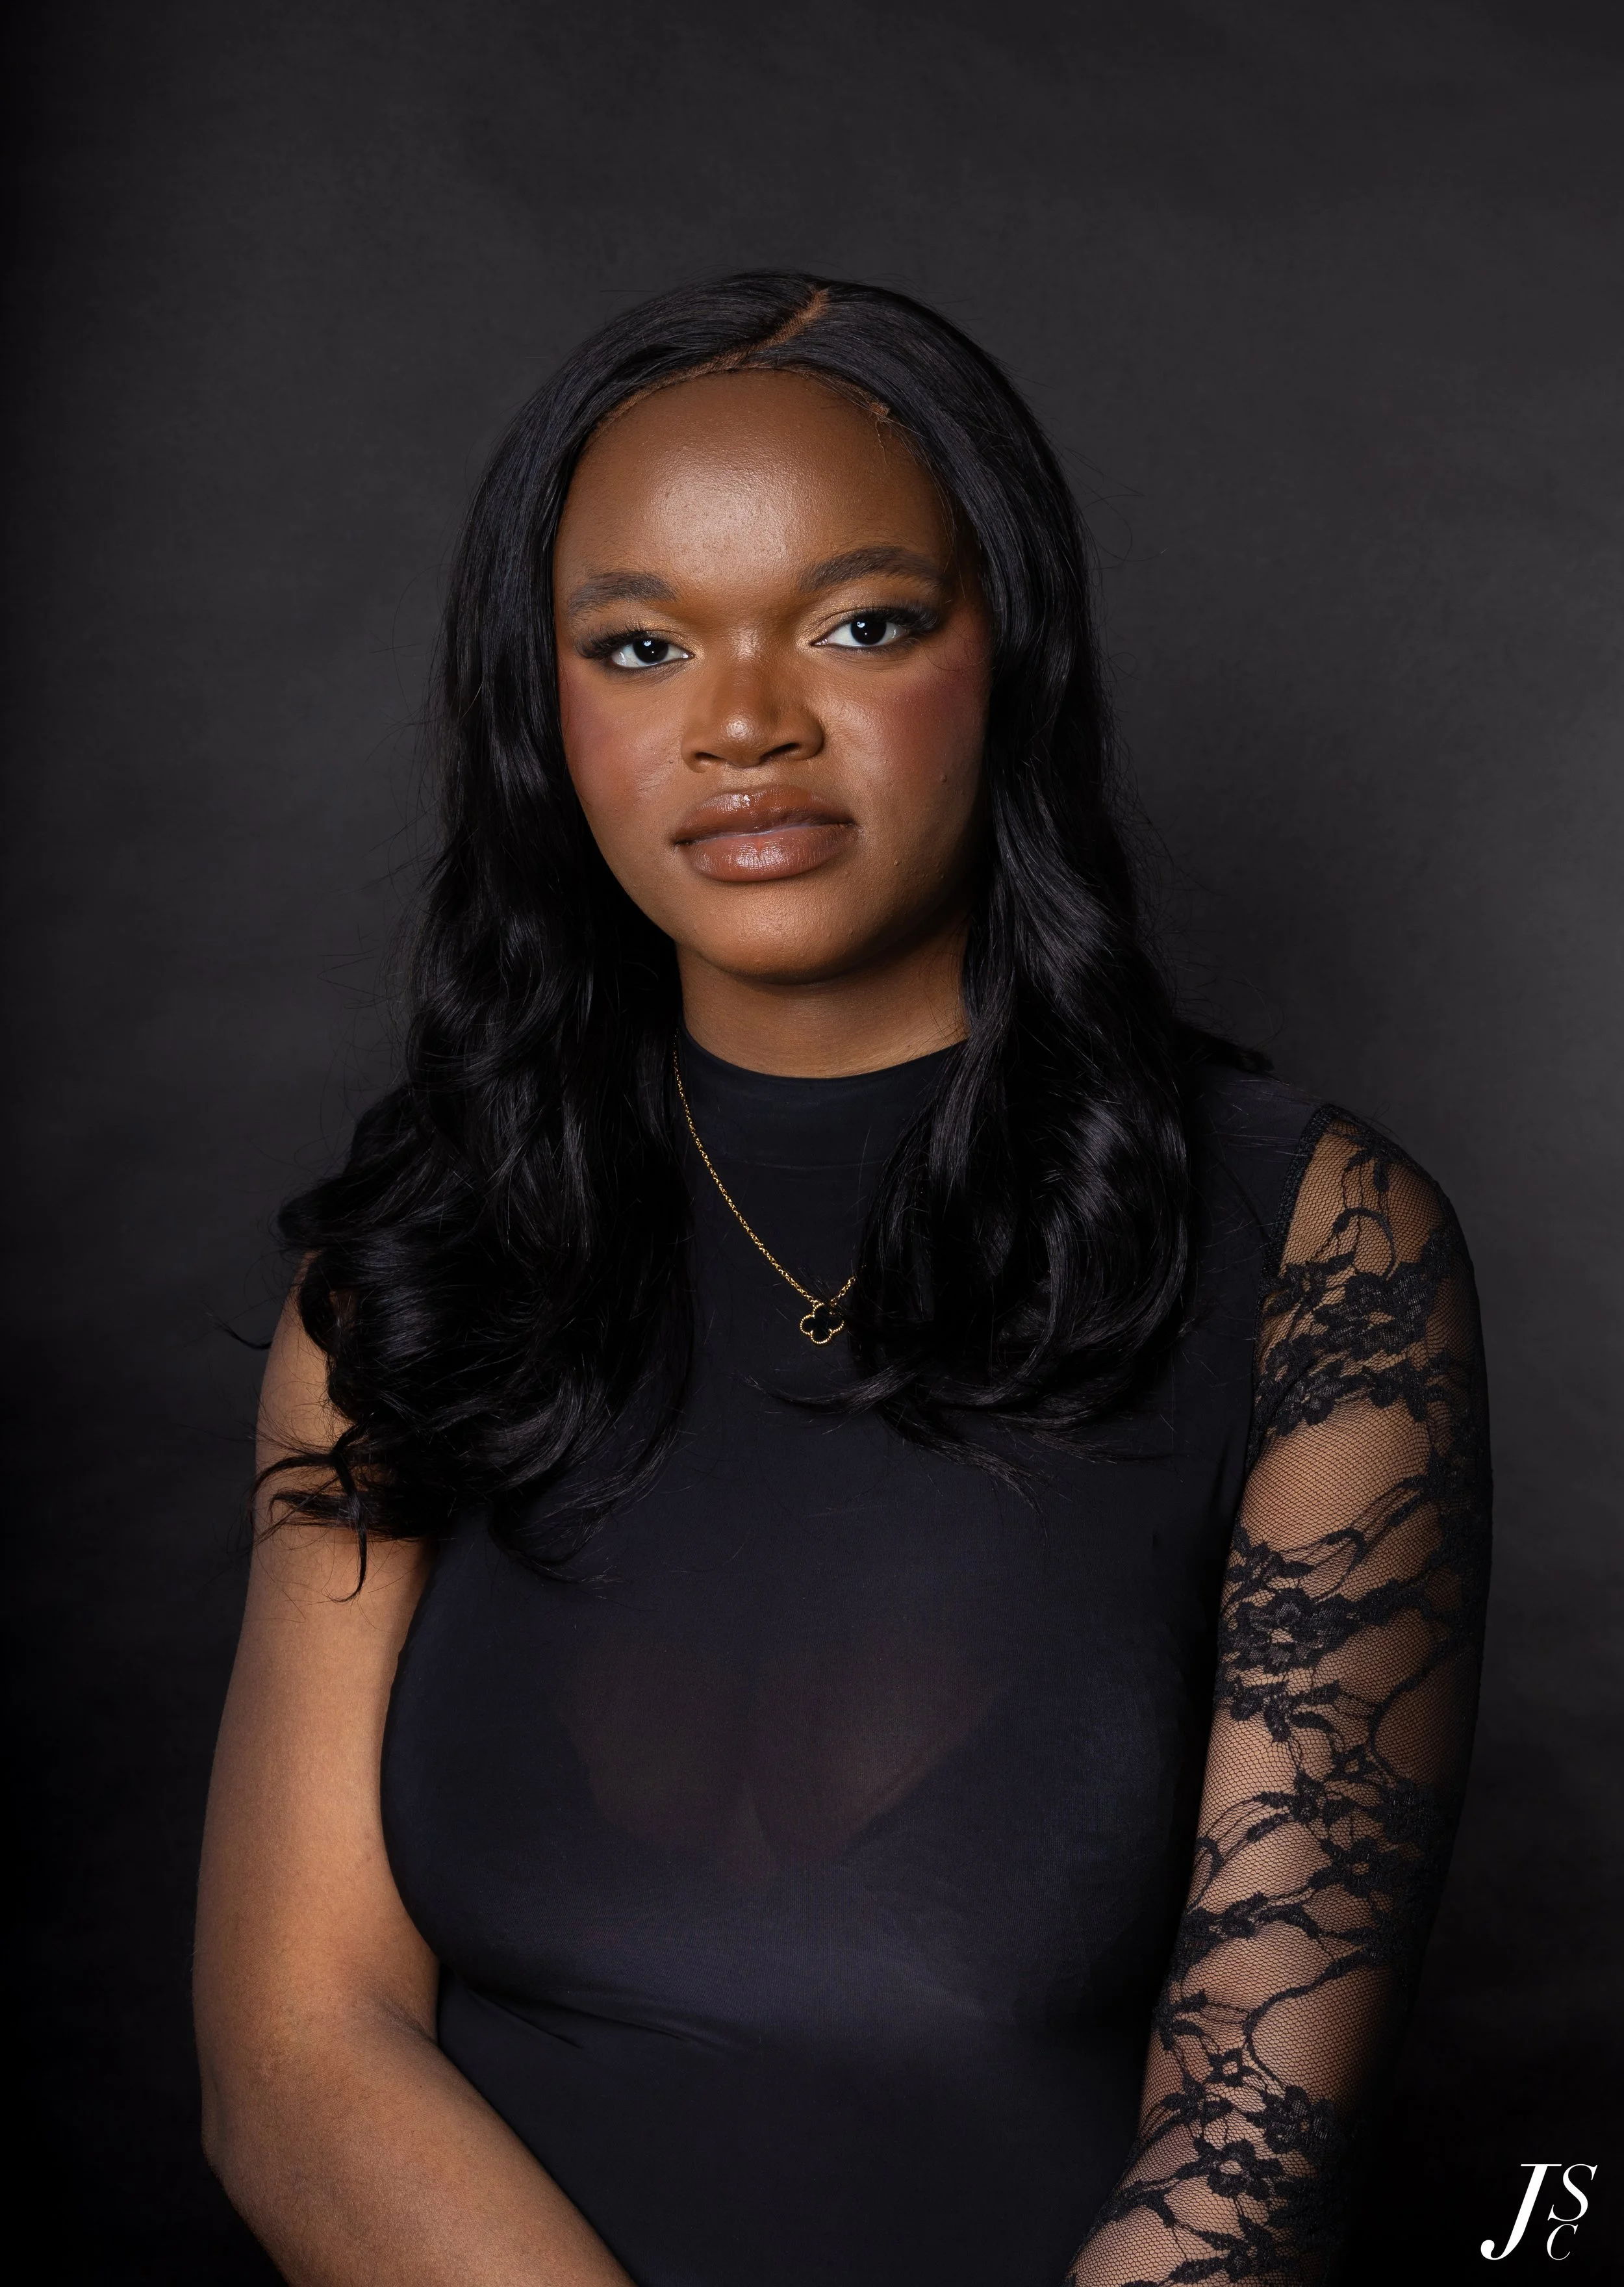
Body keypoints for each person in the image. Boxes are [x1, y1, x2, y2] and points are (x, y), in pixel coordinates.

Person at [194, 274, 1490, 2287]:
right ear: (546, 715)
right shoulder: (412, 1271)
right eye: (637, 646)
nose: (741, 725)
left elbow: (1248, 2166)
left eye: (861, 622)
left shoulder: (1308, 1249)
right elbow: (294, 2059)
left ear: (1013, 654)